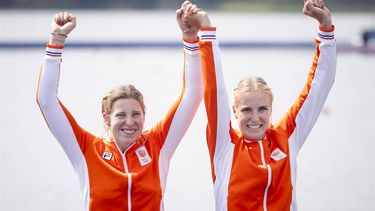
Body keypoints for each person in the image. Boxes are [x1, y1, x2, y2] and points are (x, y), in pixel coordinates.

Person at [36, 2, 203, 210]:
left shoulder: (159, 145)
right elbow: (47, 101)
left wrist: (190, 40)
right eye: (121, 115)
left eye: (136, 114)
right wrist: (56, 40)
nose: (130, 122)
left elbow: (193, 95)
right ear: (107, 118)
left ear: (144, 115)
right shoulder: (86, 149)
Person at [184, 0, 336, 210]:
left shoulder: (286, 138)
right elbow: (213, 90)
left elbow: (319, 86)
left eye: (262, 109)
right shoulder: (225, 144)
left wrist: (325, 28)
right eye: (246, 109)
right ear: (234, 112)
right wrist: (207, 31)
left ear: (271, 109)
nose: (255, 118)